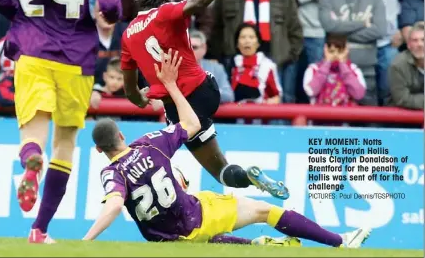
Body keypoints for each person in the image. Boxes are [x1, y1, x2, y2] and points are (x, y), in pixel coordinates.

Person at [83, 49, 371, 249]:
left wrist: (86, 241)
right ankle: (340, 241)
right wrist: (170, 85)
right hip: (198, 218)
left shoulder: (111, 173)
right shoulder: (149, 144)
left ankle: (259, 246)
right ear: (120, 134)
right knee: (263, 212)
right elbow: (191, 123)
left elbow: (115, 205)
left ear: (97, 150)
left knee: (205, 239)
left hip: (167, 241)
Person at [120, 0, 289, 199]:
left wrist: (141, 98)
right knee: (222, 172)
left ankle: (168, 193)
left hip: (178, 109)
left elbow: (131, 91)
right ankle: (252, 178)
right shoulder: (166, 12)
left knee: (162, 154)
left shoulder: (127, 35)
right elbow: (199, 1)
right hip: (203, 93)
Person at [0, 0, 122, 244]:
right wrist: (108, 18)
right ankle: (40, 229)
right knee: (64, 143)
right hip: (76, 58)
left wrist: (22, 19)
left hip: (32, 51)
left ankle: (32, 158)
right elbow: (112, 3)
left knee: (32, 134)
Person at [389, 21, 424, 110]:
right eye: (415, 40)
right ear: (408, 45)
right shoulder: (398, 65)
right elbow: (402, 99)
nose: (419, 44)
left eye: (423, 40)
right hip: (403, 117)